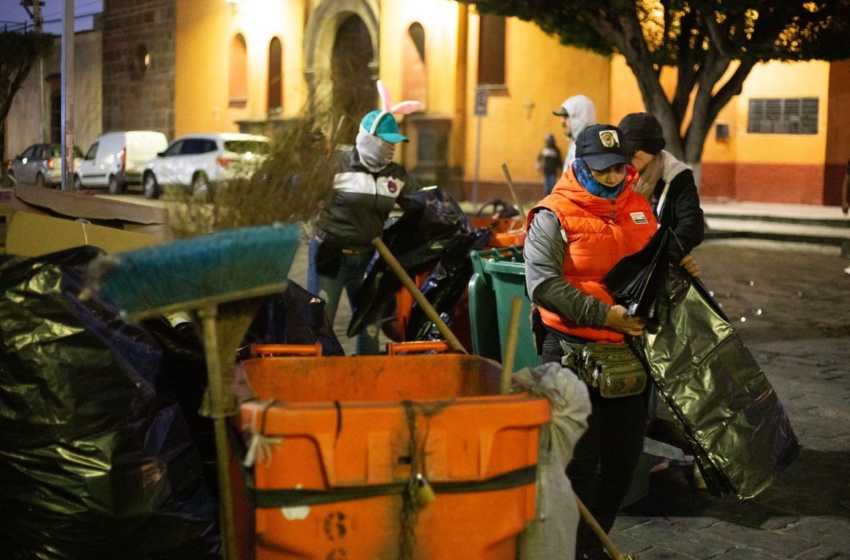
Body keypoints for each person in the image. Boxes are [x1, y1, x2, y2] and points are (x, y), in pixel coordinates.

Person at [524, 124, 658, 559]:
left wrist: (678, 265)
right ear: (580, 165)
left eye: (619, 167)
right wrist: (605, 314)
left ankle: (591, 545)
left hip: (628, 357)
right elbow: (542, 284)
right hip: (570, 353)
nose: (612, 177)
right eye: (602, 169)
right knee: (577, 465)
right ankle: (568, 548)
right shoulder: (553, 213)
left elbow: (654, 263)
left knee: (622, 462)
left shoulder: (639, 207)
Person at [308, 82, 420, 355]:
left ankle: (365, 380)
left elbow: (422, 205)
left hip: (368, 262)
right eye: (386, 142)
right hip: (330, 257)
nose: (391, 148)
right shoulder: (336, 166)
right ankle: (321, 382)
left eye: (395, 143)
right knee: (319, 325)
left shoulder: (397, 176)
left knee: (370, 328)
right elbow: (304, 194)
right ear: (369, 139)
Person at [618, 112, 705, 258]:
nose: (624, 158)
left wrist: (665, 251)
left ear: (652, 150)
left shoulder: (677, 176)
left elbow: (692, 225)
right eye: (621, 151)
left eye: (631, 152)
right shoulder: (615, 173)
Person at [553, 95, 597, 172]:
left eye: (566, 116)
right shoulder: (576, 145)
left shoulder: (591, 150)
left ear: (582, 117)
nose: (562, 121)